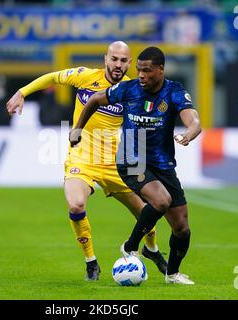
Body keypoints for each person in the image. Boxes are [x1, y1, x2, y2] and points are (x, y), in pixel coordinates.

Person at [6, 42, 168, 281]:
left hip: (117, 161)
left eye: (123, 61)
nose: (118, 65)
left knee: (145, 211)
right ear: (105, 59)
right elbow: (53, 77)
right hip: (82, 157)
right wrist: (22, 92)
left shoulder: (135, 89)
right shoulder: (84, 77)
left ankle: (152, 250)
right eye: (114, 59)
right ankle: (91, 262)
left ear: (129, 64)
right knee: (76, 204)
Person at [70, 46, 202, 285]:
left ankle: (172, 274)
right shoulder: (127, 89)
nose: (140, 75)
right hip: (132, 158)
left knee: (182, 228)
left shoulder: (174, 92)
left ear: (160, 70)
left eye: (147, 71)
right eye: (139, 70)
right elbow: (94, 100)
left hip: (162, 164)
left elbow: (193, 121)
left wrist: (189, 134)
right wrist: (78, 128)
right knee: (161, 200)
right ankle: (130, 246)